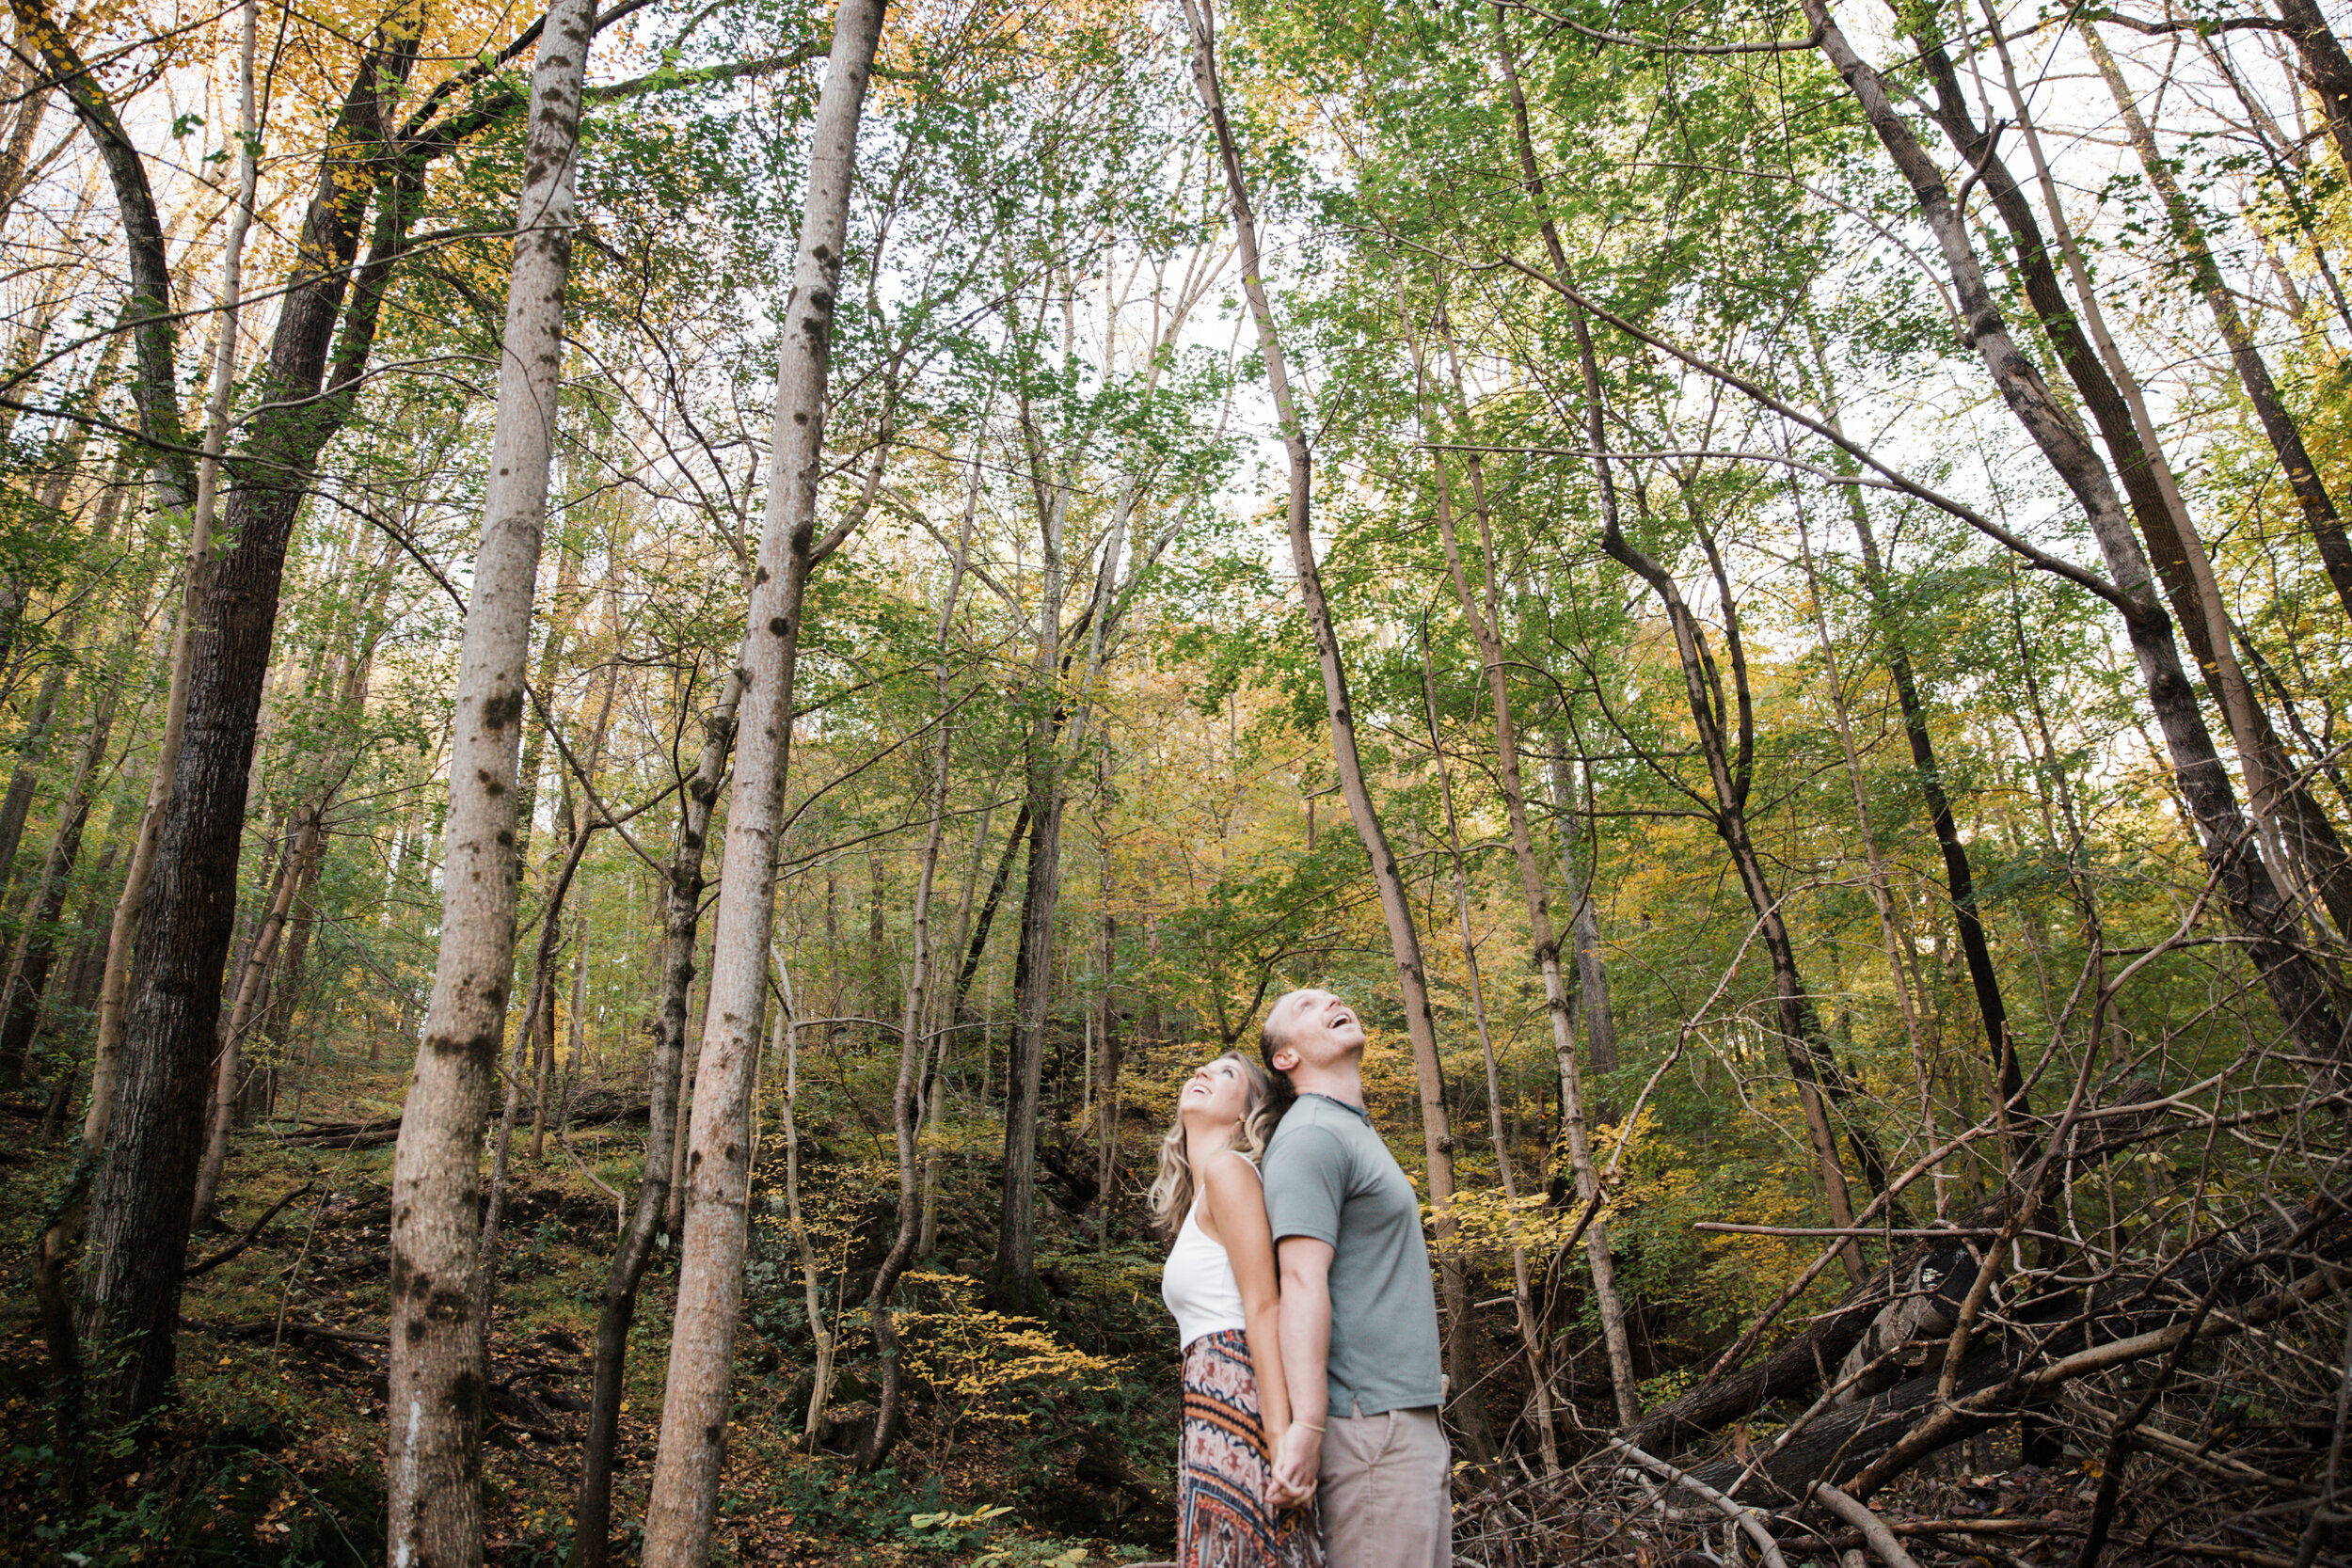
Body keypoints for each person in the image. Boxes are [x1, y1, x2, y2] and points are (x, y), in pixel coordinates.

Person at [1258, 989, 1451, 1568]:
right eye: (1305, 1005)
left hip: (1404, 1417)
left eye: (1330, 995)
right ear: (1286, 1058)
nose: (1331, 999)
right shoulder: (1312, 1136)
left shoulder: (1349, 1130)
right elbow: (1299, 1281)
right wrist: (1309, 1426)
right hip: (1369, 1426)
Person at [1154, 1052, 1323, 1568]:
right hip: (1209, 1400)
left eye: (1226, 1073)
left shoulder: (1231, 1171)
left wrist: (1280, 1442)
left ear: (1246, 1114)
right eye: (1201, 1066)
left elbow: (1265, 1306)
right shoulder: (1206, 1193)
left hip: (1242, 1391)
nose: (1200, 1071)